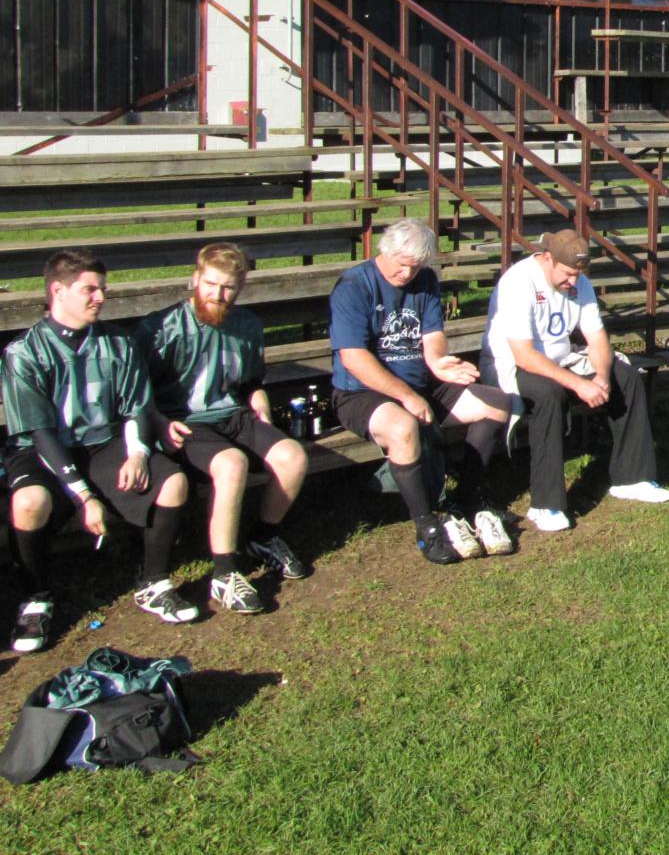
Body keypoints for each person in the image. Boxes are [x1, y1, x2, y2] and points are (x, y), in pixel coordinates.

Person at [3, 250, 197, 654]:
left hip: (103, 443)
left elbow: (135, 408)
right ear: (58, 291)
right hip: (44, 451)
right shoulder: (24, 352)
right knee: (29, 502)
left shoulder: (119, 343)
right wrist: (84, 496)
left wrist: (138, 453)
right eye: (89, 290)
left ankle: (153, 582)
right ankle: (36, 598)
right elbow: (40, 433)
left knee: (173, 482)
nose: (100, 298)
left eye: (103, 289)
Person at [137, 242, 309, 615]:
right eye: (210, 284)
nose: (217, 294)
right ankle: (225, 572)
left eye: (228, 287)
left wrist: (259, 399)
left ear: (240, 287)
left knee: (293, 457)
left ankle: (263, 537)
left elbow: (250, 382)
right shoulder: (161, 328)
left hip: (232, 414)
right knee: (232, 464)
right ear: (195, 279)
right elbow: (138, 394)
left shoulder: (247, 326)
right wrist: (159, 422)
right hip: (184, 421)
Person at [329, 219, 514, 563]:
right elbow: (353, 358)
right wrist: (406, 396)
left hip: (420, 383)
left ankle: (467, 499)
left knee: (496, 404)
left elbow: (432, 333)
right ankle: (427, 526)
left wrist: (437, 361)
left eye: (416, 267)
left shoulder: (425, 279)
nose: (408, 274)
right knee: (403, 427)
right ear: (385, 251)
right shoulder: (354, 286)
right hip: (361, 392)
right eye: (402, 265)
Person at [482, 229, 669, 533]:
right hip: (510, 364)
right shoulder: (518, 282)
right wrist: (579, 384)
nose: (573, 281)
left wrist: (601, 376)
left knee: (625, 377)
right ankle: (546, 504)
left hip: (561, 361)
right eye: (568, 274)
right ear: (548, 258)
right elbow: (523, 355)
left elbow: (597, 338)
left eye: (578, 274)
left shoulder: (579, 283)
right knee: (549, 394)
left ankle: (632, 478)